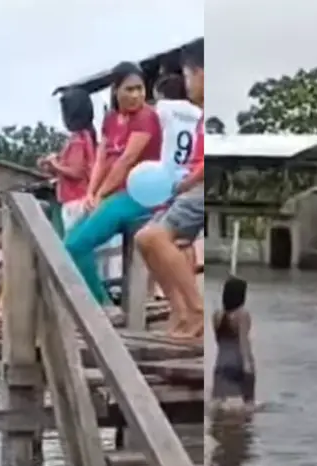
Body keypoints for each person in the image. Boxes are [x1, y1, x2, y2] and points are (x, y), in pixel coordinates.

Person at [64, 61, 162, 307]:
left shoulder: (147, 117)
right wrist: (91, 193)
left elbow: (127, 160)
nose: (137, 95)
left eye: (140, 89)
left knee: (75, 244)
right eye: (129, 89)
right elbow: (101, 158)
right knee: (70, 242)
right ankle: (101, 302)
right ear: (116, 90)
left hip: (140, 196)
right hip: (114, 195)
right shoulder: (110, 119)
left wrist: (101, 194)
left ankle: (100, 305)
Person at [135, 39, 206, 338]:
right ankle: (179, 312)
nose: (187, 85)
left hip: (200, 187)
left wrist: (185, 183)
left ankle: (196, 310)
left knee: (155, 236)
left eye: (189, 76)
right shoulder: (200, 115)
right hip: (190, 187)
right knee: (143, 239)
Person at [40, 87, 97, 235]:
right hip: (85, 199)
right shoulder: (87, 136)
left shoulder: (77, 140)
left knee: (74, 246)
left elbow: (77, 172)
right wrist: (53, 167)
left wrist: (55, 164)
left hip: (76, 201)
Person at [211, 276, 256, 409]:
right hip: (239, 363)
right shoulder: (242, 315)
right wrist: (248, 366)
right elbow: (244, 341)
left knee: (219, 405)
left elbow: (218, 340)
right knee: (246, 408)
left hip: (221, 363)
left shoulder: (217, 315)